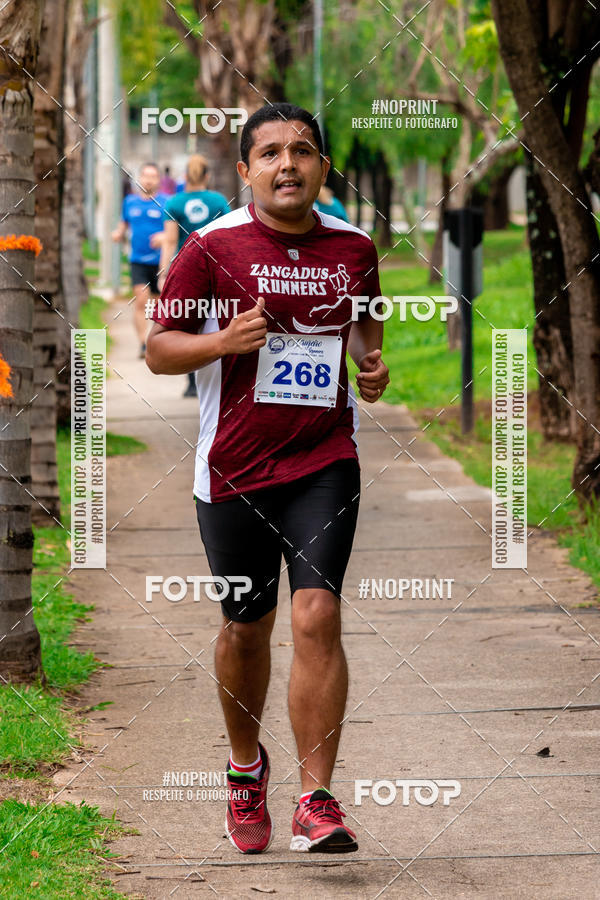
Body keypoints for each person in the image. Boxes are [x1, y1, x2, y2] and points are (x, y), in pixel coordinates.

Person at [146, 102, 389, 855]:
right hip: (234, 468)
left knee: (317, 614)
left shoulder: (354, 246)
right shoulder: (212, 246)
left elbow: (366, 320)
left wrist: (370, 364)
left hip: (324, 459)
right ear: (246, 170)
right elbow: (158, 348)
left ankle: (317, 801)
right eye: (272, 153)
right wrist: (223, 340)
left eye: (304, 151)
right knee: (247, 629)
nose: (290, 164)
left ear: (322, 167)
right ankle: (245, 770)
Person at [158, 155, 231, 396]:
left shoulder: (174, 203)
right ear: (207, 176)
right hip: (216, 269)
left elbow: (169, 241)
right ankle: (218, 379)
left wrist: (164, 274)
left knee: (186, 325)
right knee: (215, 321)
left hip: (186, 271)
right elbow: (229, 236)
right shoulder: (219, 201)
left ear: (186, 177)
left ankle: (191, 383)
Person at [112, 162, 167, 357]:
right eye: (145, 175)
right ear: (140, 178)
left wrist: (163, 238)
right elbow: (123, 224)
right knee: (141, 301)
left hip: (160, 262)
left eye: (153, 176)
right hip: (138, 260)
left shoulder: (166, 202)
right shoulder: (130, 202)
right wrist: (118, 233)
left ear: (158, 180)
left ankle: (157, 341)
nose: (148, 179)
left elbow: (173, 231)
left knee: (158, 305)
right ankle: (143, 344)